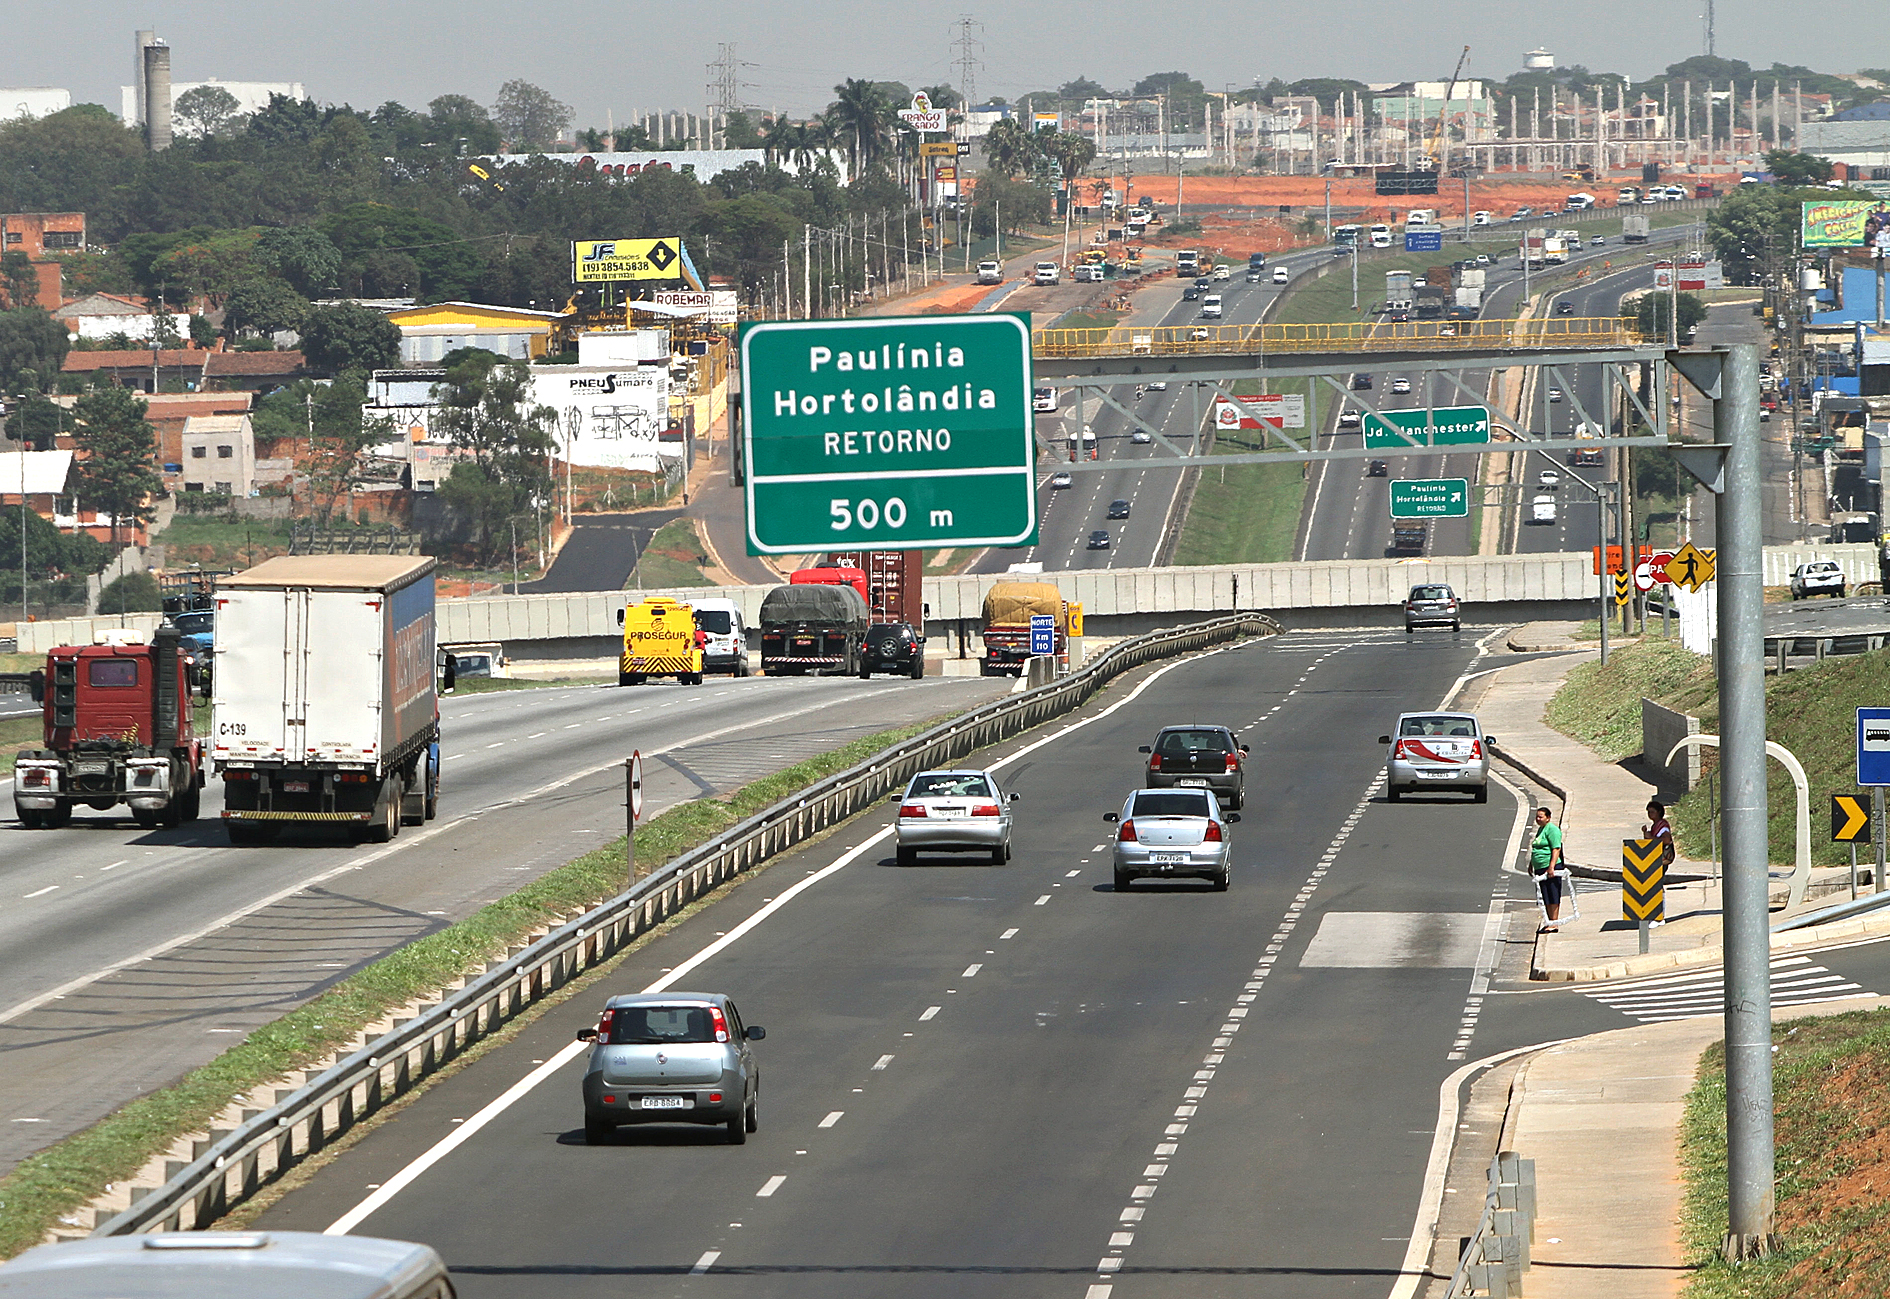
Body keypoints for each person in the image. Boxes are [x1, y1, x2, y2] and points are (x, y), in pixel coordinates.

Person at [1530, 806, 1566, 929]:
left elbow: (1556, 849)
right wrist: (1531, 864)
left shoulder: (1553, 830)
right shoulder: (1541, 829)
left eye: (1541, 817)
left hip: (1550, 867)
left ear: (1548, 818)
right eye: (1537, 817)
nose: (1538, 819)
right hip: (1539, 867)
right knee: (1545, 895)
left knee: (1553, 894)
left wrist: (1551, 867)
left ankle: (1554, 922)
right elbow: (1536, 848)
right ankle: (1549, 921)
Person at [1643, 799, 1675, 868]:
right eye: (1649, 812)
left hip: (1661, 858)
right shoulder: (1655, 826)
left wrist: (1651, 837)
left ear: (1659, 812)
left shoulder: (1662, 825)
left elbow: (1667, 840)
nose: (1650, 814)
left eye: (1652, 812)